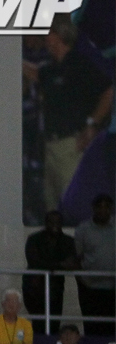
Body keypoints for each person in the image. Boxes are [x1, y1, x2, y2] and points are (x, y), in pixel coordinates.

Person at [27, 12, 112, 216]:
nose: (44, 38)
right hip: (50, 147)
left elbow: (108, 90)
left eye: (48, 32)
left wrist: (92, 124)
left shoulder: (79, 65)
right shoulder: (53, 68)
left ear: (58, 34)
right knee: (53, 207)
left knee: (72, 204)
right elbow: (37, 74)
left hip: (71, 146)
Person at [23, 211, 76, 335]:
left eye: (58, 221)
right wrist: (59, 265)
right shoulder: (34, 239)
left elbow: (71, 263)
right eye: (51, 221)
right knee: (38, 323)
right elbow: (34, 262)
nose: (54, 224)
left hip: (55, 289)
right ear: (46, 223)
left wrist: (50, 265)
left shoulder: (68, 241)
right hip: (34, 288)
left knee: (54, 324)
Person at [74, 194, 115, 338]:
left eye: (106, 207)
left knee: (112, 327)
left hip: (113, 287)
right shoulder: (83, 229)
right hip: (90, 288)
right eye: (99, 206)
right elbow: (76, 258)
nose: (103, 210)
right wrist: (82, 281)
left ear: (111, 209)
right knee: (92, 326)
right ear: (93, 208)